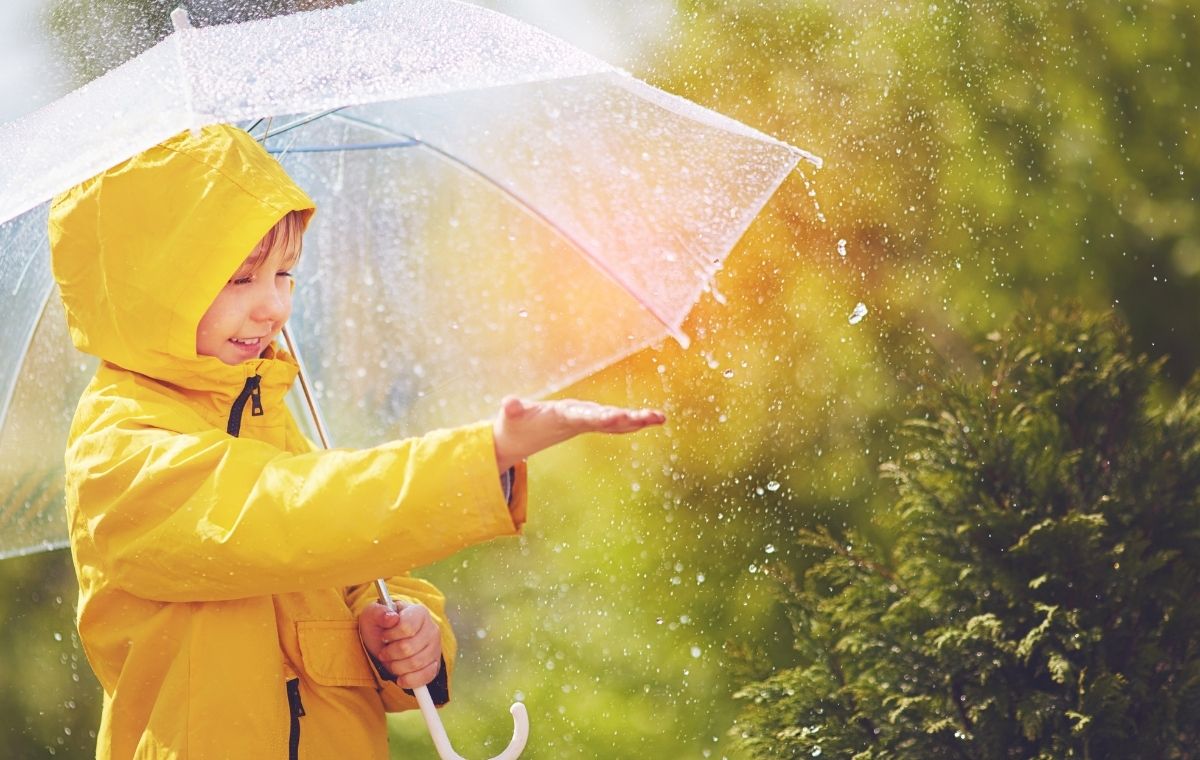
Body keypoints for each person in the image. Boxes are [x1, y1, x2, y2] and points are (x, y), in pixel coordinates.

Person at [49, 124, 664, 760]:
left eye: (284, 274)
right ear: (148, 290)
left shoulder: (270, 412)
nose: (274, 308)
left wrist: (403, 633)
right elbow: (293, 514)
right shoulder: (119, 447)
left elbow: (350, 566)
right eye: (240, 280)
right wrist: (486, 453)